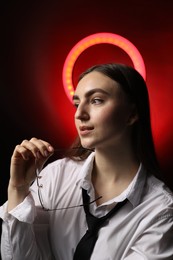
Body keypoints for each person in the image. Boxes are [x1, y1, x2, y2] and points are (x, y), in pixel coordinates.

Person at [0, 63, 173, 260]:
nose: (79, 114)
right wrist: (17, 188)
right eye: (77, 103)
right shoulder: (56, 176)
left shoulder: (160, 212)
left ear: (132, 114)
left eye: (96, 100)